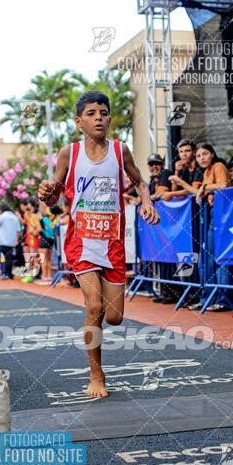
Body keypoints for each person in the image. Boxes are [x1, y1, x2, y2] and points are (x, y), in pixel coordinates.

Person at [38, 90, 159, 398]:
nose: (99, 119)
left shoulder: (121, 150)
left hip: (113, 242)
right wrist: (47, 192)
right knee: (94, 306)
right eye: (91, 114)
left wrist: (147, 202)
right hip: (81, 242)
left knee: (114, 316)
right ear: (79, 121)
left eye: (103, 113)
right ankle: (96, 374)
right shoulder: (70, 153)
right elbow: (54, 199)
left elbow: (140, 181)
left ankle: (100, 339)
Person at [170, 142, 231, 312]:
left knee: (218, 259)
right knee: (205, 261)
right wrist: (200, 190)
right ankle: (207, 298)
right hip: (211, 215)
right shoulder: (206, 171)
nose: (201, 158)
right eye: (198, 156)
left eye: (204, 154)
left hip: (221, 216)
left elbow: (224, 185)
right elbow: (197, 191)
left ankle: (223, 300)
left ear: (212, 154)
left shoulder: (218, 166)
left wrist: (203, 188)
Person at [0, 203, 20, 280]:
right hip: (12, 241)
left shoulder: (2, 216)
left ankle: (6, 273)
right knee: (9, 257)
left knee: (4, 258)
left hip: (3, 241)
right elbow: (18, 230)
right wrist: (16, 240)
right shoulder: (14, 217)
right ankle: (9, 274)